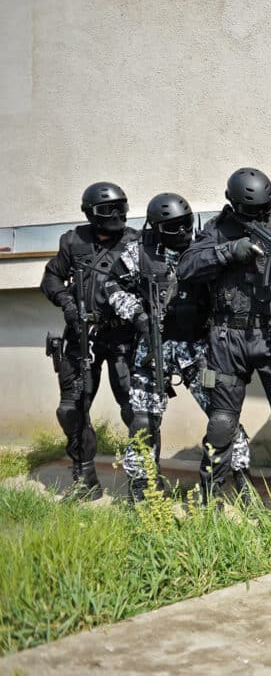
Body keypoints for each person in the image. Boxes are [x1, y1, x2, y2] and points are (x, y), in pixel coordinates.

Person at [104, 192, 254, 503]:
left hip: (197, 349)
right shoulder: (139, 253)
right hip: (153, 349)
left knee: (222, 415)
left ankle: (239, 476)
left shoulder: (201, 248)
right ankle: (143, 488)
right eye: (175, 227)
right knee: (143, 421)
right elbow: (112, 285)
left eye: (187, 223)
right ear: (157, 228)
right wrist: (137, 314)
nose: (184, 231)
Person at [176, 169, 271, 501]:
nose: (261, 215)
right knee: (222, 422)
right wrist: (227, 252)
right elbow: (186, 268)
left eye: (266, 207)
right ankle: (210, 502)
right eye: (254, 210)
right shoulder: (217, 230)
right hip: (226, 337)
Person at [41, 182, 139, 500]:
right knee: (71, 409)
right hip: (82, 336)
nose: (116, 214)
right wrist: (68, 303)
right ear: (90, 213)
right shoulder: (73, 240)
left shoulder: (137, 241)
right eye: (107, 209)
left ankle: (144, 482)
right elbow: (51, 277)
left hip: (124, 336)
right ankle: (85, 480)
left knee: (136, 411)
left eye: (120, 207)